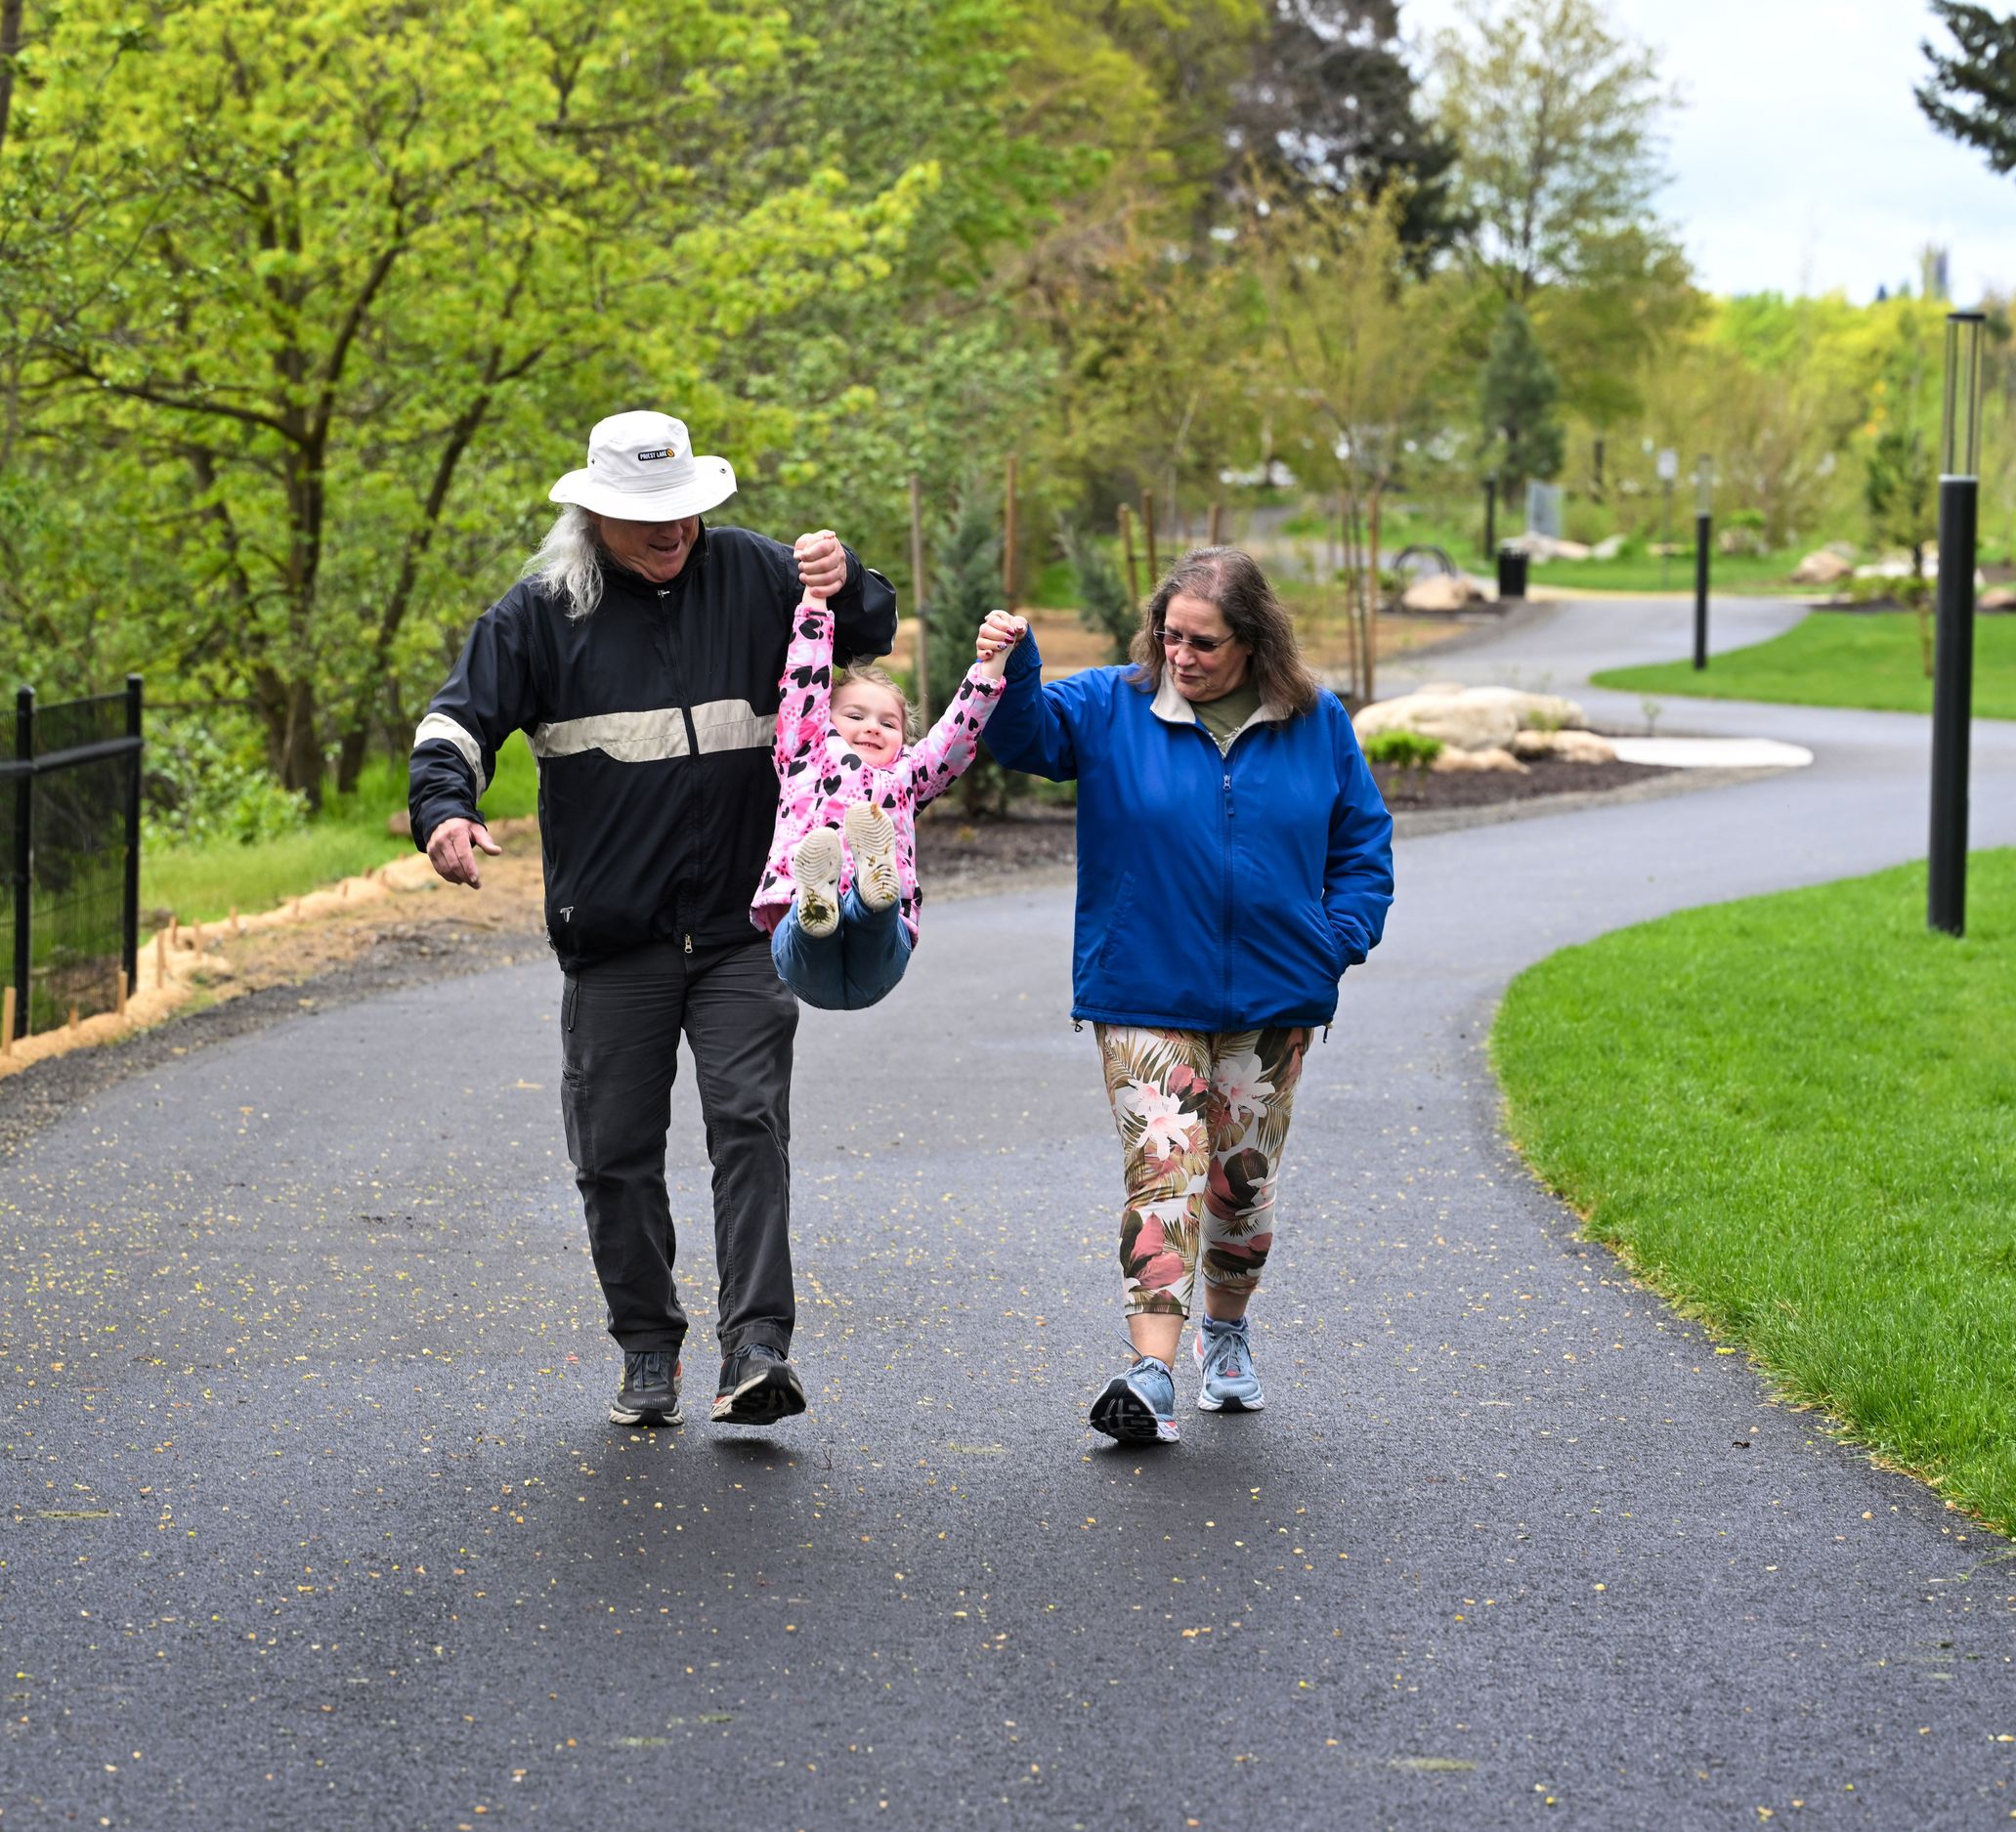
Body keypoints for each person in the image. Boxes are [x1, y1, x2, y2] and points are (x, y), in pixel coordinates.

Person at [407, 408, 894, 1429]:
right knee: (615, 1156)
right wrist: (444, 811)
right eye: (645, 517)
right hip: (613, 936)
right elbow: (457, 721)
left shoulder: (759, 574)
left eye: (683, 512)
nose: (670, 531)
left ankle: (758, 1348)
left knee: (748, 1127)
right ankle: (645, 1346)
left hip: (744, 926)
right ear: (593, 517)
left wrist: (845, 579)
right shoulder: (541, 613)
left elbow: (867, 631)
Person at [980, 547, 1394, 1444]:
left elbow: (1362, 841)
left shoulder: (1313, 720)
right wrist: (1014, 665)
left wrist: (1337, 940)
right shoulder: (1110, 705)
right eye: (1170, 635)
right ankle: (1151, 1373)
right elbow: (1022, 740)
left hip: (1277, 995)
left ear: (1252, 642)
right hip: (1143, 986)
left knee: (1239, 1184)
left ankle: (1228, 1331)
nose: (1181, 655)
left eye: (1203, 642)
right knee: (1163, 1167)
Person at [750, 593, 1023, 1008]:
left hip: (878, 961)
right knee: (809, 935)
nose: (873, 728)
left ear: (904, 737)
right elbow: (803, 683)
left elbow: (956, 735)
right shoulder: (806, 751)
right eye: (855, 716)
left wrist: (991, 667)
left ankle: (873, 888)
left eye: (888, 723)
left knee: (876, 919)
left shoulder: (908, 774)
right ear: (824, 719)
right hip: (803, 950)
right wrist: (816, 602)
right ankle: (817, 899)